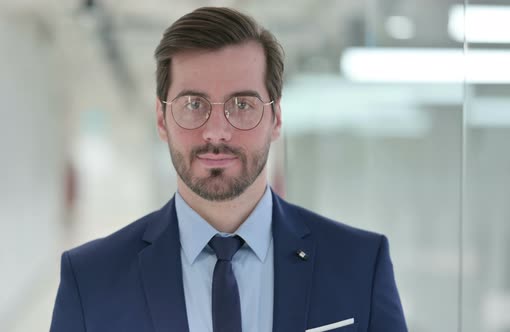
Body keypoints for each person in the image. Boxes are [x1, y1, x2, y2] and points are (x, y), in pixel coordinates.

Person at [50, 7, 407, 332]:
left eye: (242, 104)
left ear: (276, 117)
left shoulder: (359, 265)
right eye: (193, 104)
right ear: (162, 119)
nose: (217, 131)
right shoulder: (91, 280)